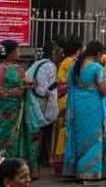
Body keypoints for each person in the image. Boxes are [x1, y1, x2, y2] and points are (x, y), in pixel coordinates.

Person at [62, 40, 106, 181]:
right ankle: (91, 171)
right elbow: (103, 90)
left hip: (78, 107)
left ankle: (78, 170)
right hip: (93, 106)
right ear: (99, 54)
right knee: (95, 138)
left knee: (81, 136)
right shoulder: (96, 68)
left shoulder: (75, 66)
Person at [0, 40, 36, 174]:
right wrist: (12, 92)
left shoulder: (19, 68)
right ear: (9, 53)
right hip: (5, 111)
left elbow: (24, 82)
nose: (19, 53)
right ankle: (1, 167)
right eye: (17, 51)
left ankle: (18, 167)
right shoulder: (1, 69)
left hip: (19, 109)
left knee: (20, 136)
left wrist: (29, 84)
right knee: (3, 137)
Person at [25, 38, 60, 175]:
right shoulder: (49, 65)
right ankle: (38, 163)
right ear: (52, 52)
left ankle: (44, 158)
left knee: (40, 132)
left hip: (34, 100)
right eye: (57, 51)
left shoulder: (38, 63)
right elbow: (44, 89)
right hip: (40, 102)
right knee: (41, 132)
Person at [52, 34, 82, 173]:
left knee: (62, 133)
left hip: (62, 101)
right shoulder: (76, 62)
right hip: (72, 100)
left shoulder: (64, 62)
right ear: (78, 49)